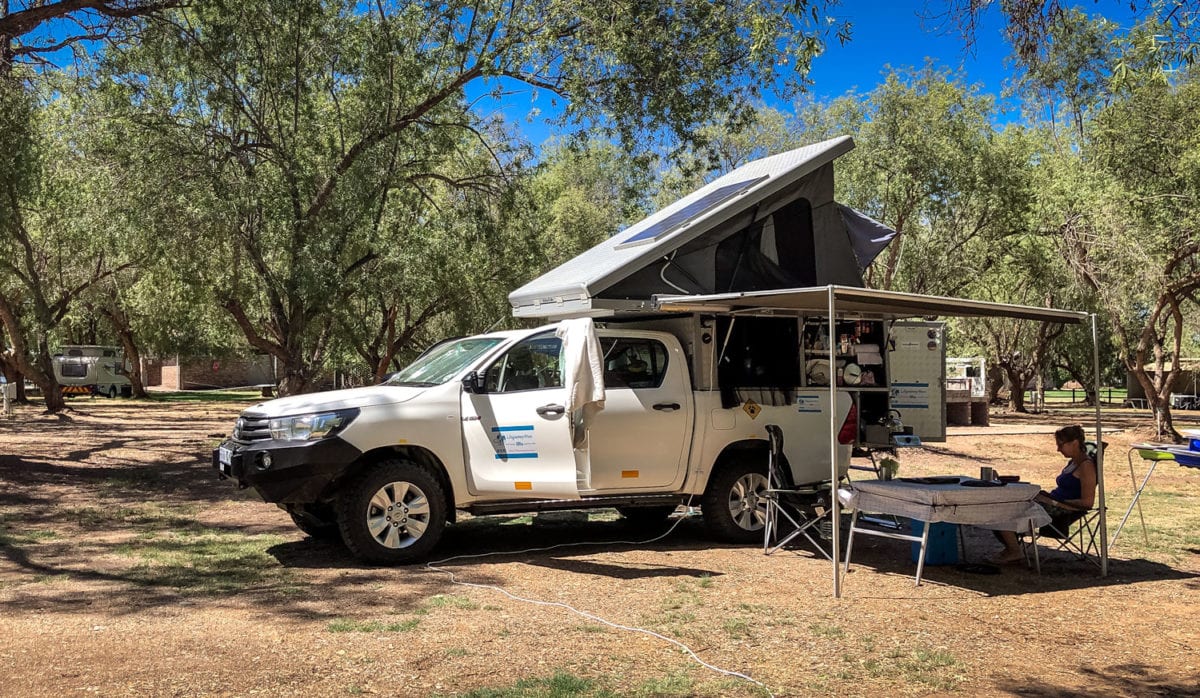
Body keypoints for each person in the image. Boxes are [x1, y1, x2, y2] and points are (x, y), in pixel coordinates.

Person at [991, 424, 1097, 564]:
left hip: (1062, 509)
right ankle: (1012, 546)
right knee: (1005, 502)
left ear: (1075, 443)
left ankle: (1014, 549)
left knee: (1005, 509)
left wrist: (1055, 502)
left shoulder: (1086, 466)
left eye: (1061, 445)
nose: (1058, 449)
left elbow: (1087, 503)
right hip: (1051, 502)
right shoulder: (1073, 462)